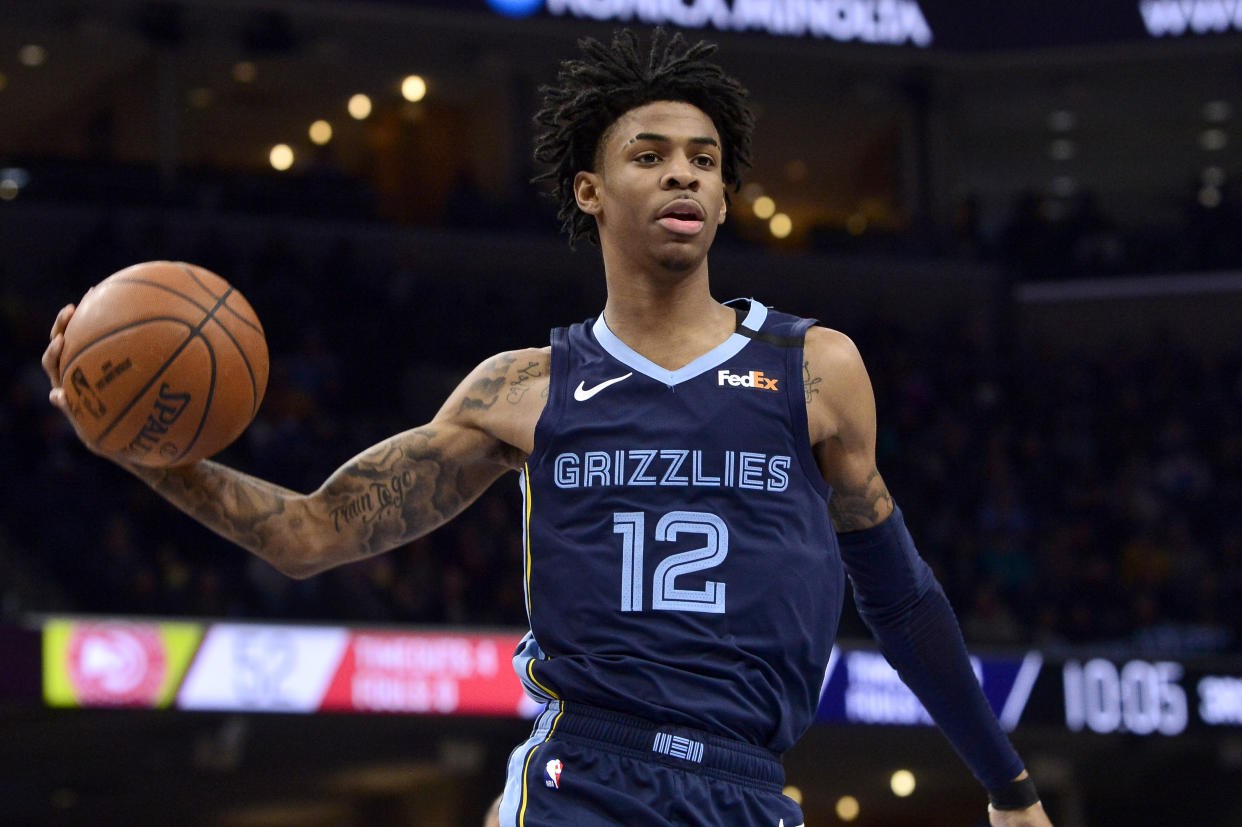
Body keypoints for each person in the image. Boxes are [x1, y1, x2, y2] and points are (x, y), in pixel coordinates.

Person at [43, 28, 1052, 827]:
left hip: (748, 786)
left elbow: (901, 596)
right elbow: (312, 533)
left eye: (704, 158)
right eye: (649, 155)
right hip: (586, 779)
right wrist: (143, 454)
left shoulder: (816, 369)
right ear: (590, 190)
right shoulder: (523, 389)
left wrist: (1007, 783)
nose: (684, 175)